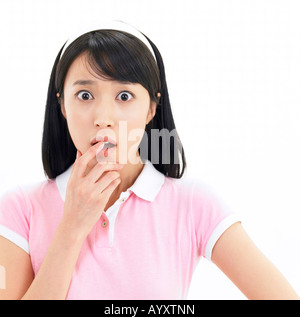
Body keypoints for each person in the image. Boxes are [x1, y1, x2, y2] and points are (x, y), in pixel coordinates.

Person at [0, 20, 298, 300]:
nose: (104, 118)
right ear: (62, 104)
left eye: (125, 96)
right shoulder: (20, 208)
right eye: (85, 95)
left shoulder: (192, 203)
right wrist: (72, 227)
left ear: (151, 109)